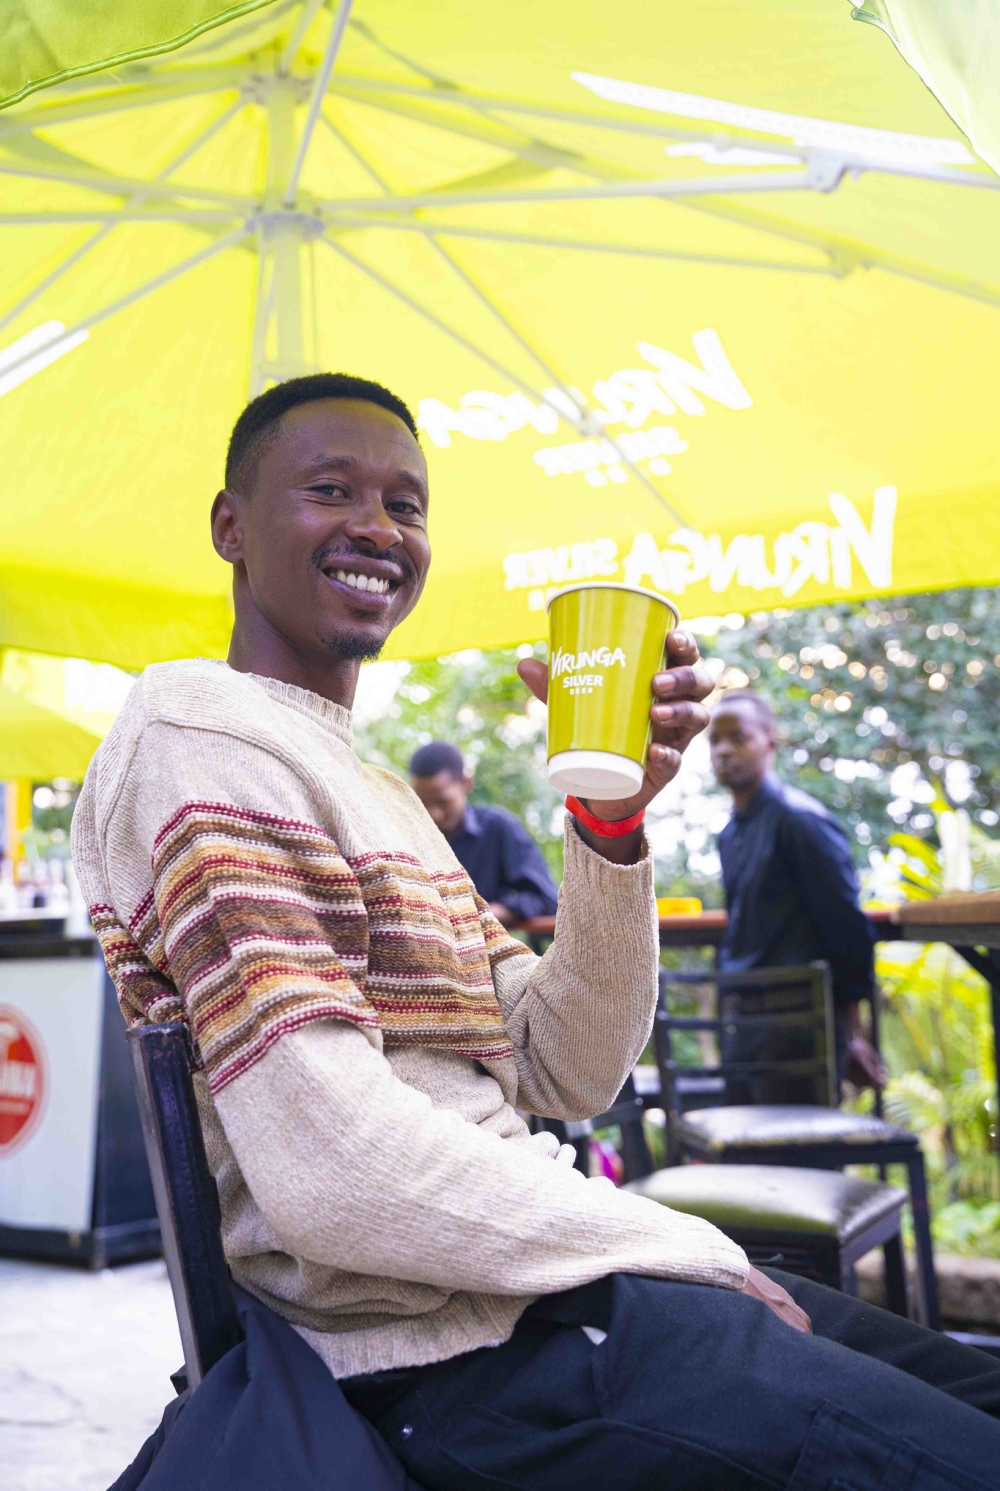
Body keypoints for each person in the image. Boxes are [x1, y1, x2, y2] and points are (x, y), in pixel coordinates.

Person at [72, 373, 1000, 1490]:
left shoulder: (379, 793)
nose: (378, 526)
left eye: (406, 505)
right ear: (231, 524)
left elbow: (567, 1064)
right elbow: (333, 1172)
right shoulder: (200, 733)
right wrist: (675, 1243)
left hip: (555, 1295)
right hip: (445, 1362)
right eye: (330, 490)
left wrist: (609, 825)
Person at [709, 690, 886, 1093]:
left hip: (800, 1027)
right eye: (715, 740)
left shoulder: (801, 821)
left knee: (800, 1136)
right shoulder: (730, 834)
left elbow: (846, 927)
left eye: (738, 737)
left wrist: (852, 1031)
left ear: (770, 741)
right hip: (742, 1025)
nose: (723, 750)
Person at [408, 740, 558, 926]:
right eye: (422, 803)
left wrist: (482, 914)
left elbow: (544, 898)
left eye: (442, 801)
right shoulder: (408, 837)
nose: (433, 814)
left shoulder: (498, 828)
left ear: (466, 783)